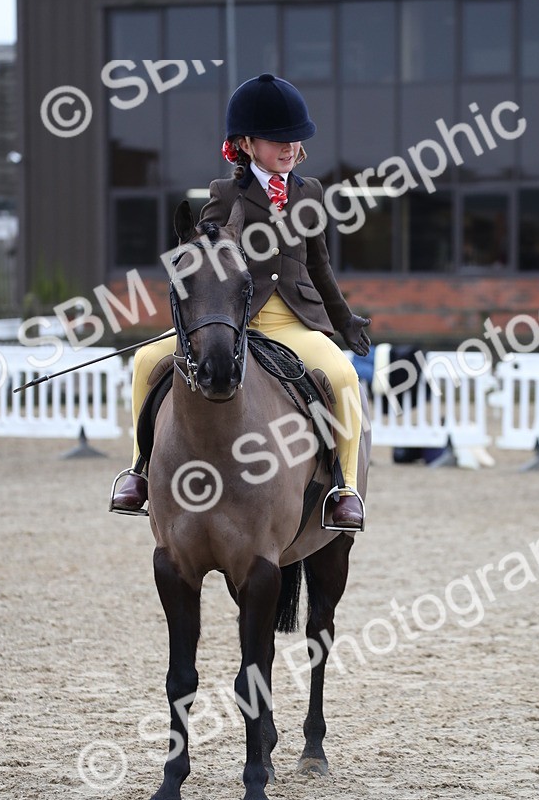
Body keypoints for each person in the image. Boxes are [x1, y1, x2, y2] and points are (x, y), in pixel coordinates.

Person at [111, 73, 371, 528]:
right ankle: (139, 471)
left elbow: (319, 265)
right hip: (234, 317)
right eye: (276, 141)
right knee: (145, 363)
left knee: (342, 375)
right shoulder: (224, 193)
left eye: (294, 139)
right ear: (247, 144)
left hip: (292, 319)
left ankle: (343, 489)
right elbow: (206, 255)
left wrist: (343, 318)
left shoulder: (310, 191)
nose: (288, 148)